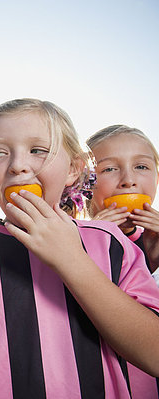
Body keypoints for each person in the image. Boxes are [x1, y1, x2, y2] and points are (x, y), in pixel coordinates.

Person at [0, 98, 159, 398]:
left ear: (73, 169)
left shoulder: (109, 242)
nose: (18, 166)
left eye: (38, 150)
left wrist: (70, 259)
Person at [86, 125, 159, 398]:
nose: (128, 180)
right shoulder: (68, 240)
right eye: (108, 169)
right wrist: (90, 240)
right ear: (84, 183)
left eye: (141, 166)